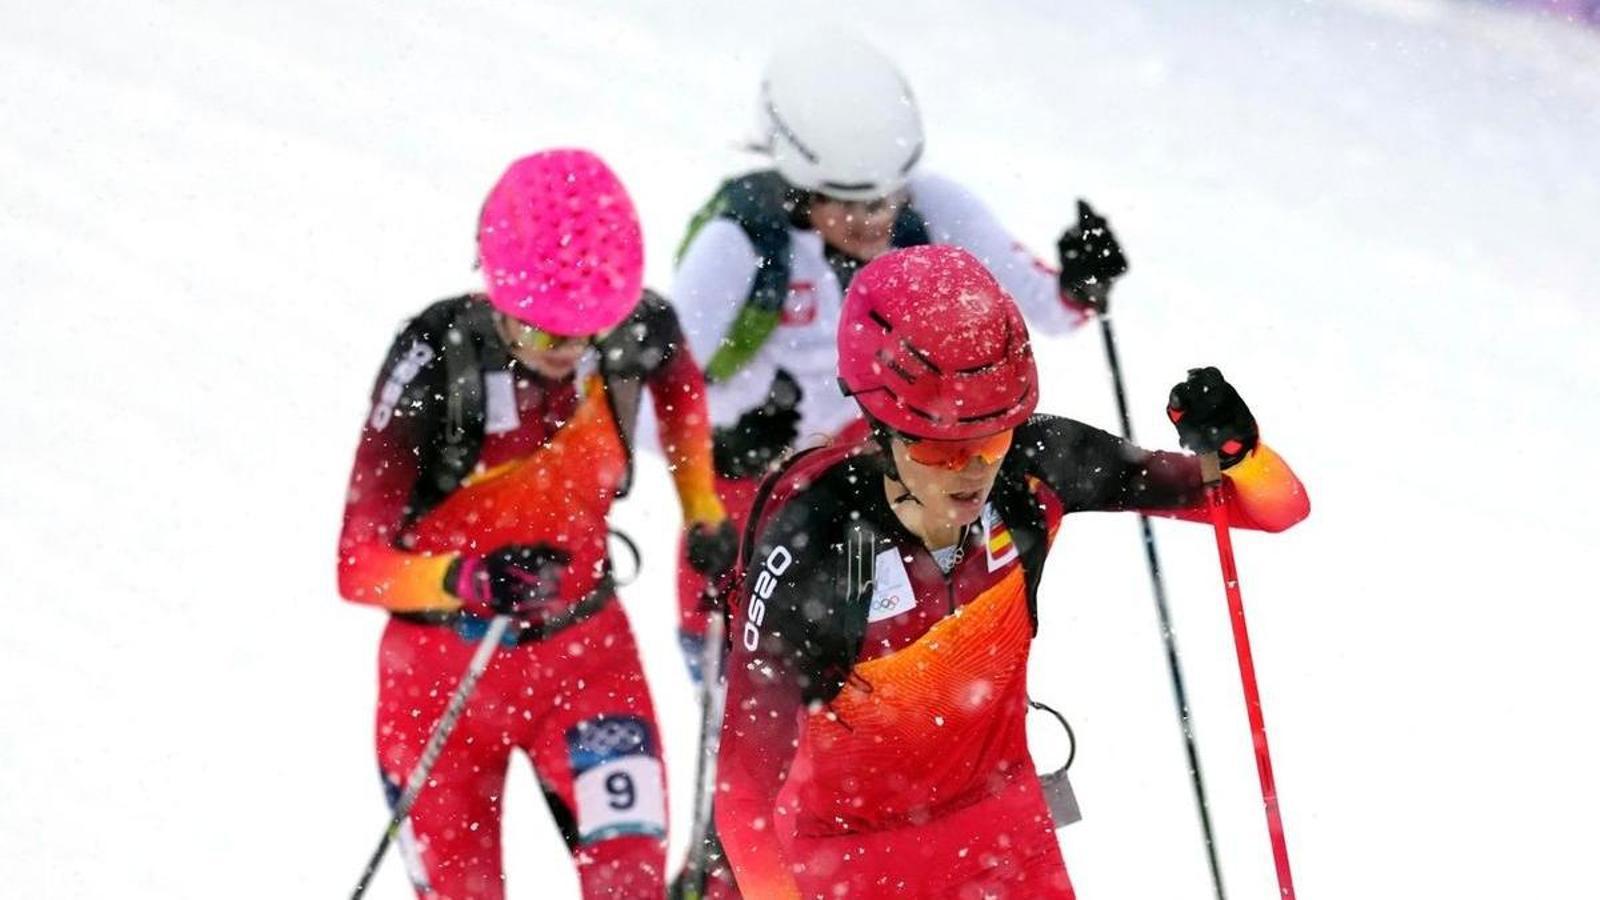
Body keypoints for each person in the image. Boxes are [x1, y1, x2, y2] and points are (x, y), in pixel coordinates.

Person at [713, 245, 1310, 898]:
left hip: (1004, 834)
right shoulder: (815, 541)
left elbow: (1275, 507)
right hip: (845, 861)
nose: (974, 470)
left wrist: (1239, 451)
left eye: (992, 439)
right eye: (944, 450)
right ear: (884, 427)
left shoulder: (1037, 463)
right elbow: (743, 801)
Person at [335, 149, 737, 899]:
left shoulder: (631, 327)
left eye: (590, 334)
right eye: (549, 335)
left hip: (587, 660)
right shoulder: (434, 362)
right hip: (439, 683)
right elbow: (357, 565)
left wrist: (703, 508)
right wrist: (463, 578)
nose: (573, 352)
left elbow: (679, 389)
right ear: (497, 293)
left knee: (632, 887)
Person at [669, 30, 1131, 676]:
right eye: (847, 202)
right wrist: (737, 427)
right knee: (766, 750)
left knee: (893, 730)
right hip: (750, 523)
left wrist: (1083, 284)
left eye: (888, 197)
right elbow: (652, 398)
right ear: (799, 184)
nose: (874, 219)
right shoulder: (738, 245)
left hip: (873, 511)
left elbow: (1039, 303)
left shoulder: (932, 210)